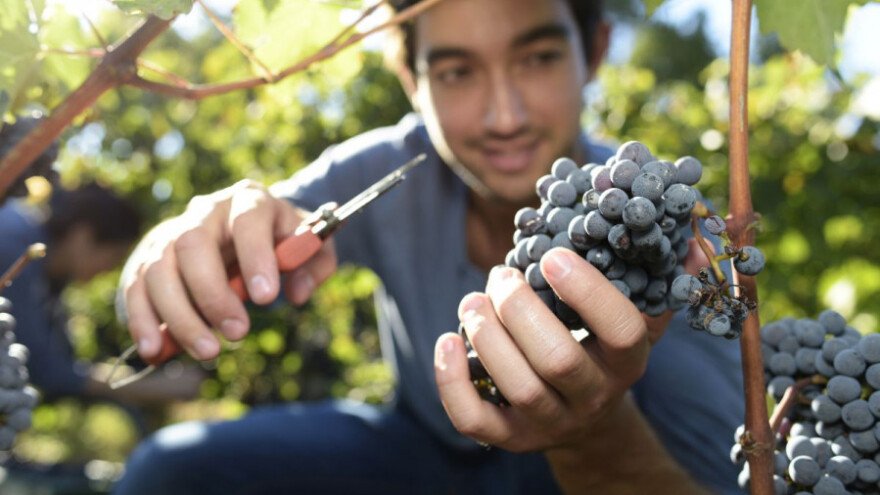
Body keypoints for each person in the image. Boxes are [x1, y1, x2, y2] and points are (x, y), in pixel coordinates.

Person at [112, 0, 744, 493]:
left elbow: (718, 486)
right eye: (456, 71)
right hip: (420, 455)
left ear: (595, 51)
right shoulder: (386, 168)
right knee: (169, 472)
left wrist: (593, 441)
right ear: (410, 80)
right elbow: (244, 237)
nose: (504, 116)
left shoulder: (669, 230)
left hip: (591, 470)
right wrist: (175, 258)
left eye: (538, 58)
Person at [0, 175, 204, 412]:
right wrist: (155, 387)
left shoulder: (49, 276)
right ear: (83, 236)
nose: (109, 270)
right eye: (114, 257)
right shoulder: (14, 249)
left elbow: (62, 360)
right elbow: (45, 370)